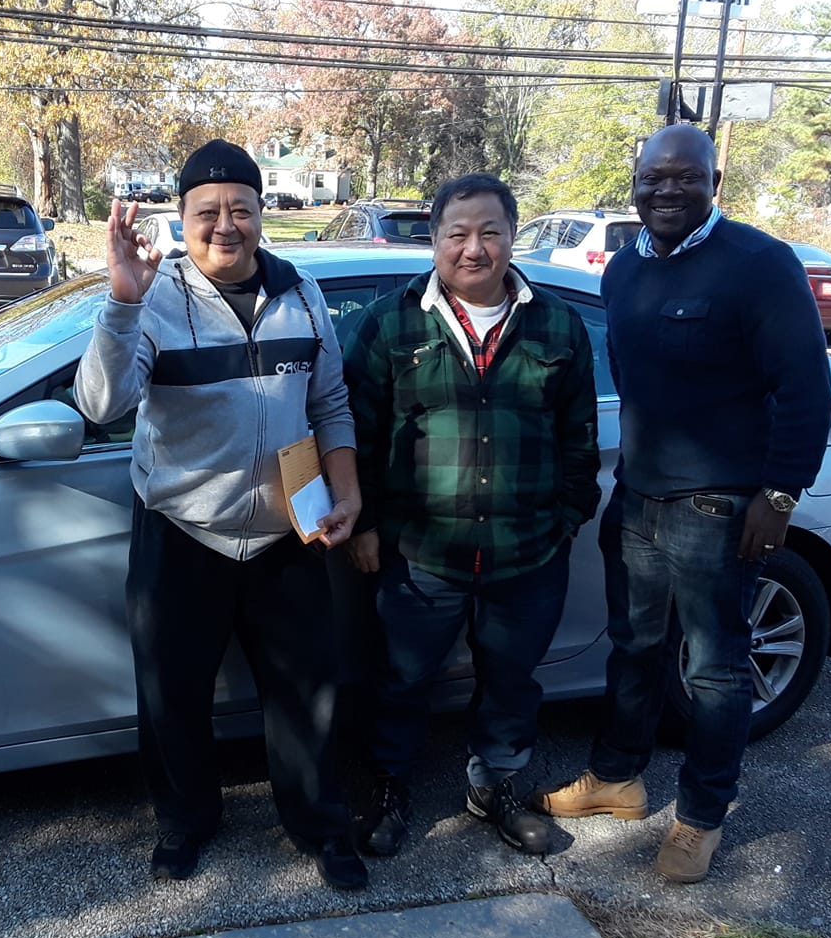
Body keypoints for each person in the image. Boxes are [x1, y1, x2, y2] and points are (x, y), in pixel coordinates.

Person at [534, 124, 831, 884]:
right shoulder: (625, 269)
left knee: (716, 670)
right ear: (635, 182)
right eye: (653, 177)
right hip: (637, 497)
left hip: (719, 508)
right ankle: (618, 778)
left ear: (714, 181)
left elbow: (806, 390)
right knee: (633, 647)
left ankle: (701, 815)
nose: (667, 189)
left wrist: (779, 494)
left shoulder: (759, 263)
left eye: (685, 176)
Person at [74, 139, 368, 891]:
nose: (226, 225)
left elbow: (330, 404)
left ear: (262, 213)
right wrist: (122, 301)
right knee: (171, 695)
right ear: (183, 218)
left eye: (241, 208)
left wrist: (348, 492)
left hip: (286, 536)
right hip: (182, 533)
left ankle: (320, 825)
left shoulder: (302, 294)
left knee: (308, 694)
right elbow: (102, 404)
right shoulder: (151, 297)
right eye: (208, 212)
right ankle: (184, 822)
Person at [342, 172, 601, 858]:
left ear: (513, 237)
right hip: (420, 555)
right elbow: (355, 434)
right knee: (401, 681)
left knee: (511, 682)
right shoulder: (391, 323)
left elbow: (579, 436)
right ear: (434, 240)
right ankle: (388, 789)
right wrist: (366, 526)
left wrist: (568, 518)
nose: (474, 248)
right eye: (457, 234)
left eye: (490, 232)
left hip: (529, 553)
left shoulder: (558, 324)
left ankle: (496, 788)